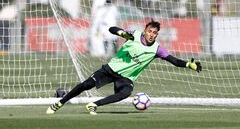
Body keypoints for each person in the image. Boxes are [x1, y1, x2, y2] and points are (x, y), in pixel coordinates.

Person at [46, 20, 202, 115]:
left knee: (125, 93)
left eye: (154, 33)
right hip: (111, 69)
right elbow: (111, 29)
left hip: (126, 78)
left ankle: (94, 105)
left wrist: (189, 64)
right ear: (145, 30)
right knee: (85, 85)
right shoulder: (134, 34)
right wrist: (122, 32)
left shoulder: (157, 49)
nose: (151, 34)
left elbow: (173, 61)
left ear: (157, 35)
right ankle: (60, 102)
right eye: (149, 31)